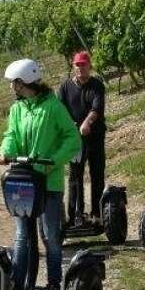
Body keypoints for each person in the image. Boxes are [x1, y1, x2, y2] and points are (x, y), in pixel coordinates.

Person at [0, 58, 82, 290]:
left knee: (50, 236)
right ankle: (18, 286)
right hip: (23, 180)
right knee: (22, 235)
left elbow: (72, 139)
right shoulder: (18, 109)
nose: (12, 86)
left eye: (14, 82)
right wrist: (4, 152)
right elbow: (11, 135)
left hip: (48, 183)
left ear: (23, 83)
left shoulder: (53, 107)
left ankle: (54, 285)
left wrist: (52, 161)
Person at [57, 51, 107, 226]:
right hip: (74, 140)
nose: (80, 68)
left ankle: (97, 214)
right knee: (75, 176)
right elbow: (60, 110)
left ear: (89, 66)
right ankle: (74, 215)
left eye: (84, 64)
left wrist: (86, 123)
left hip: (95, 137)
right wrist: (70, 125)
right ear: (73, 66)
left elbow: (96, 109)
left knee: (97, 174)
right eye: (77, 65)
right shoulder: (65, 87)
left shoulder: (97, 85)